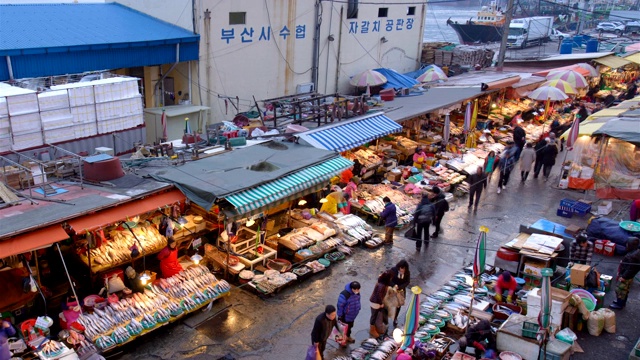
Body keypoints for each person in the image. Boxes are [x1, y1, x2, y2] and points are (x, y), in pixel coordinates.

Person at [610, 238, 640, 310]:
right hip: (629, 276)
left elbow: (630, 269)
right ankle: (621, 302)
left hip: (626, 276)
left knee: (620, 290)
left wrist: (623, 276)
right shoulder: (636, 252)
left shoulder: (632, 257)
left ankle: (620, 305)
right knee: (625, 290)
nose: (626, 245)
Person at [388, 260, 411, 327]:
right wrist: (394, 285)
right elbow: (389, 279)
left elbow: (407, 282)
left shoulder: (407, 273)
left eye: (403, 270)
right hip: (392, 289)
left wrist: (400, 287)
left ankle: (395, 317)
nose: (402, 271)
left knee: (399, 305)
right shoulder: (393, 270)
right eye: (401, 270)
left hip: (401, 291)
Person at [369, 271, 392, 338]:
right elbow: (379, 296)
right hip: (375, 303)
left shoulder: (381, 283)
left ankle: (375, 329)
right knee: (374, 316)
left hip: (375, 302)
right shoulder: (382, 286)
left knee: (375, 316)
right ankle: (372, 330)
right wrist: (381, 303)